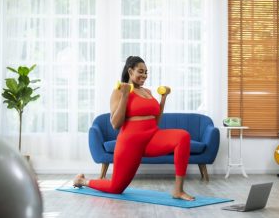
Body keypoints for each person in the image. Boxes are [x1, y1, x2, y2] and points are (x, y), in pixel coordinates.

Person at [73, 56, 195, 201]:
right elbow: (115, 124)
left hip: (152, 137)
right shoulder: (119, 91)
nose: (144, 75)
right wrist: (125, 95)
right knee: (115, 188)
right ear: (130, 71)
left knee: (183, 136)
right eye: (140, 71)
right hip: (130, 143)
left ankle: (178, 190)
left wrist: (163, 98)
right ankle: (82, 181)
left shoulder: (147, 92)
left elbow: (156, 121)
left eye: (146, 72)